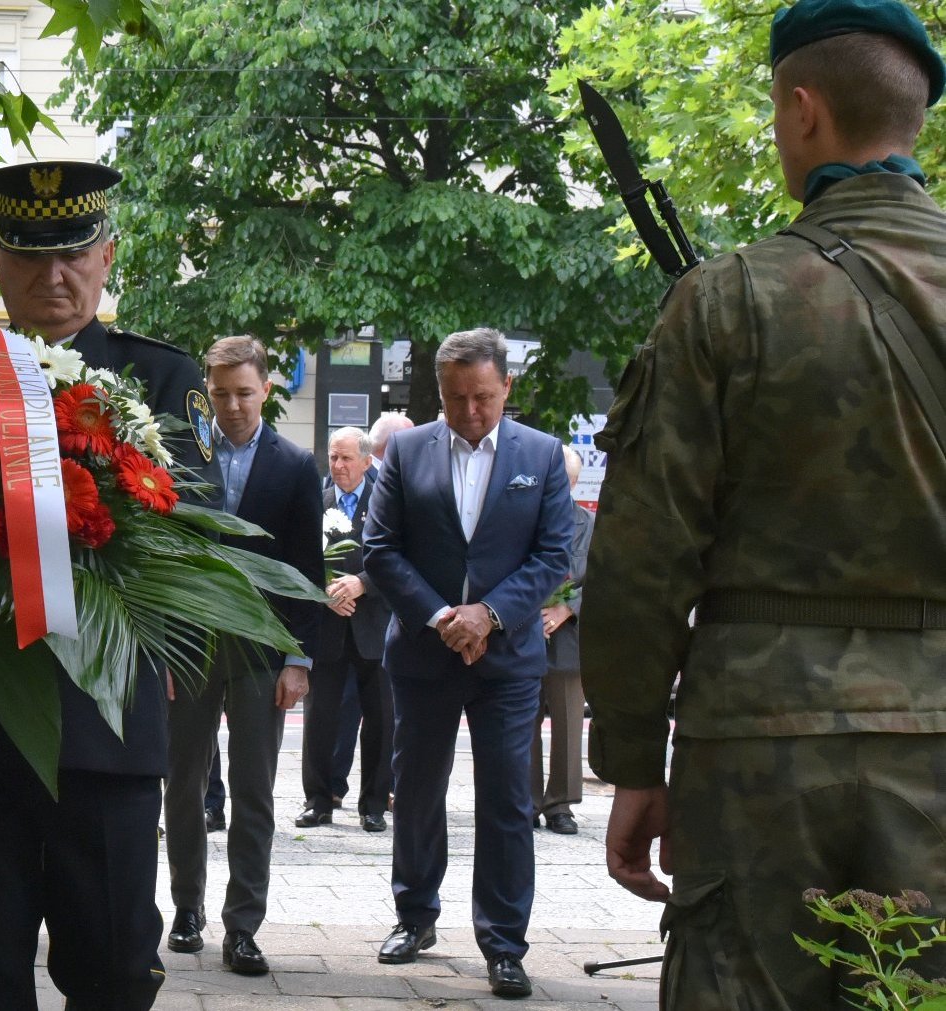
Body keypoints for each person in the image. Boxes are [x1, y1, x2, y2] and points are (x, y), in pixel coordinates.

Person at [582, 1, 946, 1003]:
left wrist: (630, 758)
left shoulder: (726, 300)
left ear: (800, 110)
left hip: (757, 753)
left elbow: (640, 559)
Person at [0, 160, 215, 1010]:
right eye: (29, 255)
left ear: (107, 256)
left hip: (106, 721)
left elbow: (194, 533)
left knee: (119, 968)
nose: (53, 276)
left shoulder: (161, 378)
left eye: (73, 255)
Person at [361, 327, 575, 1000]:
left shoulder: (539, 455)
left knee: (507, 798)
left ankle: (505, 942)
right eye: (456, 399)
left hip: (508, 659)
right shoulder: (408, 450)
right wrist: (442, 617)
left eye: (483, 397)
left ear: (506, 387)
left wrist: (488, 614)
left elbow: (553, 554)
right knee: (418, 788)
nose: (471, 412)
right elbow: (380, 547)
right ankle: (414, 915)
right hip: (426, 651)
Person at [163, 336, 324, 975]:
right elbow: (166, 560)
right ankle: (185, 910)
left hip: (263, 648)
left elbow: (306, 567)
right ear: (208, 390)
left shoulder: (294, 465)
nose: (233, 406)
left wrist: (299, 658)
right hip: (193, 645)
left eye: (245, 393)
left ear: (265, 391)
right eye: (222, 393)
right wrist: (166, 650)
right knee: (182, 785)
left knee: (254, 792)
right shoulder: (181, 458)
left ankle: (243, 927)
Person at [301, 425, 394, 834]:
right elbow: (299, 556)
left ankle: (373, 805)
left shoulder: (387, 501)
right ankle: (318, 800)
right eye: (333, 458)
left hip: (375, 625)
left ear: (367, 460)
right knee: (320, 718)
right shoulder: (315, 502)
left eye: (346, 459)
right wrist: (324, 591)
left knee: (380, 719)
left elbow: (397, 557)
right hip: (329, 627)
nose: (338, 466)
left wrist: (362, 584)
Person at [530, 445, 591, 836]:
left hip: (569, 638)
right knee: (524, 720)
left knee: (569, 723)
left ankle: (561, 804)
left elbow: (604, 578)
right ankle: (527, 800)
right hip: (525, 633)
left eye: (564, 481)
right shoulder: (525, 519)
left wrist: (567, 609)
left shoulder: (590, 524)